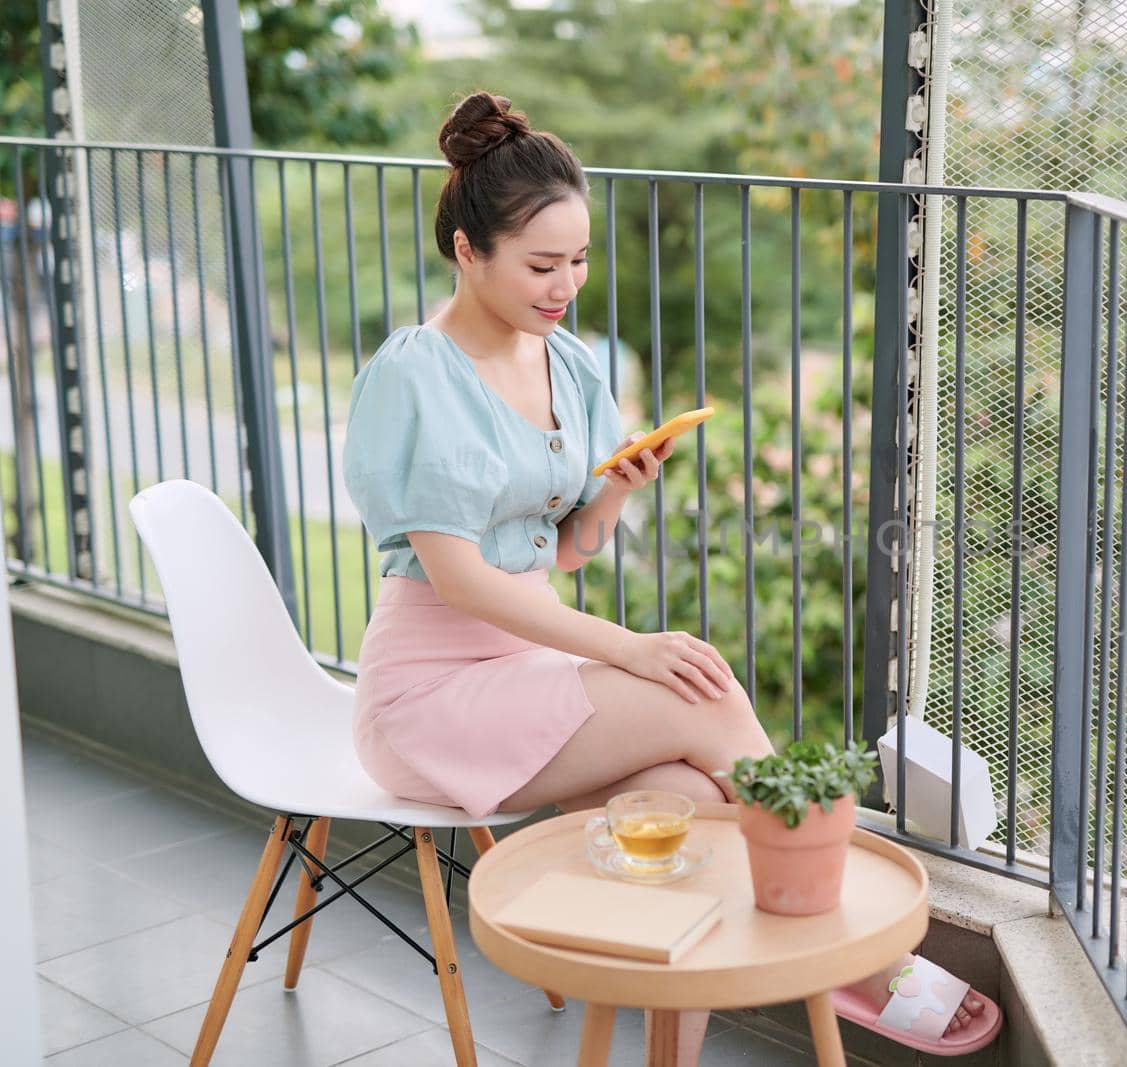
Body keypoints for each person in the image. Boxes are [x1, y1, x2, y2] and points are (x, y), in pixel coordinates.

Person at [342, 91, 991, 1062]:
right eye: (540, 265)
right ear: (467, 251)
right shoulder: (417, 374)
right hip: (431, 691)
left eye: (579, 259)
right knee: (699, 682)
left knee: (682, 792)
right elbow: (469, 583)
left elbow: (560, 550)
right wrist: (634, 650)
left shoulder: (563, 357)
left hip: (526, 670)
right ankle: (837, 938)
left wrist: (610, 495)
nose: (566, 285)